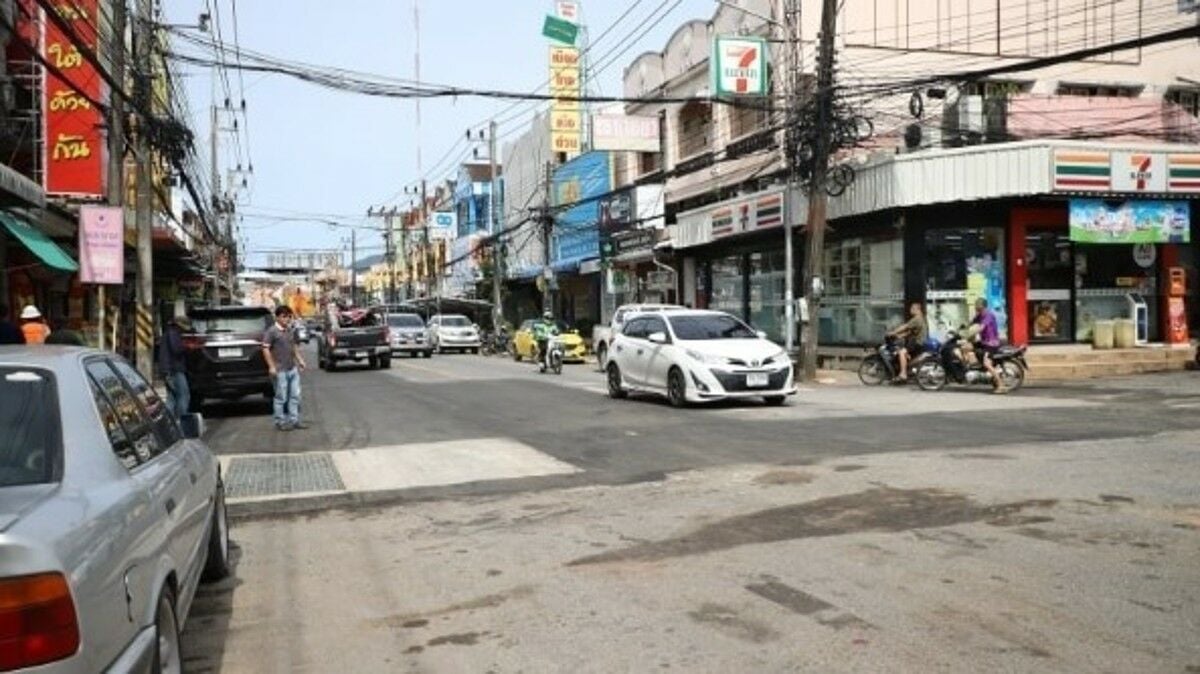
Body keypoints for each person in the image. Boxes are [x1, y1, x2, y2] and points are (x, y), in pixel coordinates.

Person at [262, 305, 307, 431]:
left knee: (295, 396)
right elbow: (265, 349)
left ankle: (294, 420)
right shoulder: (271, 331)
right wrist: (271, 367)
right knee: (281, 397)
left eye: (289, 316)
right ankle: (280, 421)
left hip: (292, 368)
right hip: (279, 370)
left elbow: (294, 347)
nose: (286, 319)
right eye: (283, 316)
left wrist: (300, 360)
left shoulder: (289, 330)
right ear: (277, 317)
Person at [972, 298, 1007, 394]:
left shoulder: (988, 315)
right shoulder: (979, 315)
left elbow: (981, 327)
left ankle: (1001, 385)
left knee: (987, 363)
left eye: (978, 306)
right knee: (965, 347)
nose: (976, 307)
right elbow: (972, 323)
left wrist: (971, 332)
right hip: (984, 342)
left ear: (983, 307)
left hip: (992, 343)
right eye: (976, 306)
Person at [158, 314, 191, 417]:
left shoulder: (168, 333)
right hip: (174, 370)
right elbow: (176, 349)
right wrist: (187, 346)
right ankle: (182, 421)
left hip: (167, 370)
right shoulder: (173, 333)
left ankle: (168, 423)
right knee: (183, 396)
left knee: (172, 398)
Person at [887, 302, 927, 383]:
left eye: (912, 309)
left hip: (917, 342)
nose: (910, 310)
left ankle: (903, 374)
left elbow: (905, 326)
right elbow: (909, 332)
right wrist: (899, 336)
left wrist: (893, 332)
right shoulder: (920, 318)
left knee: (902, 352)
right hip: (917, 342)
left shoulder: (917, 319)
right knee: (903, 352)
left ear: (917, 310)